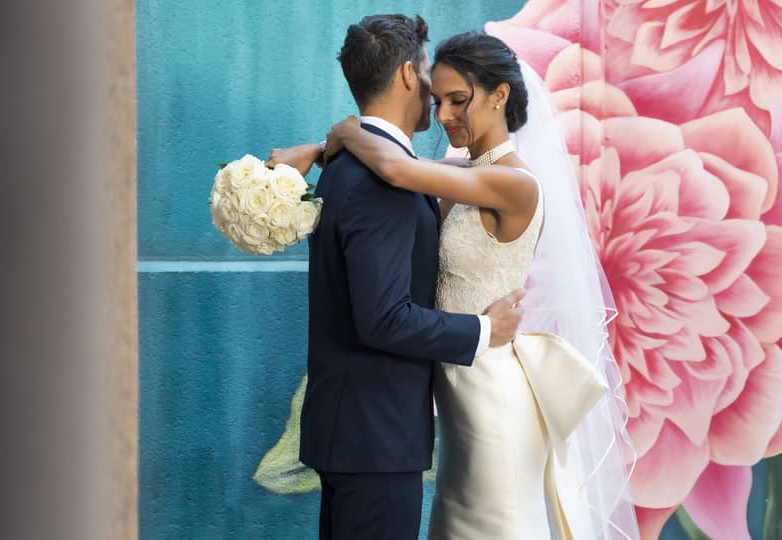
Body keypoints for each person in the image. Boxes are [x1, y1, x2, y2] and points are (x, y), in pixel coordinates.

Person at [317, 31, 641, 539]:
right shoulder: (461, 173)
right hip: (457, 393)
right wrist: (321, 149)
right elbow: (400, 166)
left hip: (491, 392)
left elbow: (395, 167)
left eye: (458, 100)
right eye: (438, 100)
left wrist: (346, 131)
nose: (444, 115)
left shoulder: (514, 183)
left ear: (499, 95)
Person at [273, 15, 527, 540]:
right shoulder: (380, 182)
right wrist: (486, 329)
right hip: (376, 438)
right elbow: (385, 318)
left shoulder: (350, 167)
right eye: (432, 79)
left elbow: (431, 171)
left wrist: (333, 140)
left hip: (362, 431)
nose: (439, 102)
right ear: (409, 75)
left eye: (458, 98)